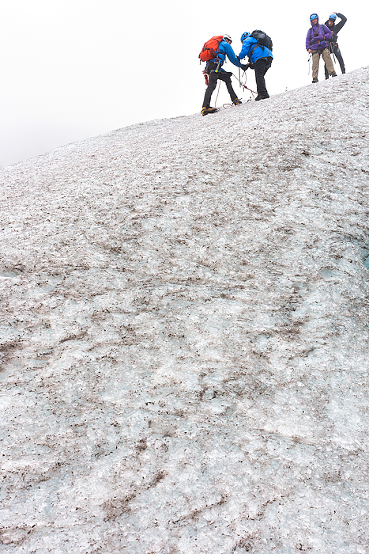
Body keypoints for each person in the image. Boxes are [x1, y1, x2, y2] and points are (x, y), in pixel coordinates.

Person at [202, 35, 243, 116]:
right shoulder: (225, 44)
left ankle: (234, 99)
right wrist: (242, 66)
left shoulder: (216, 46)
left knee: (227, 78)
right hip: (215, 65)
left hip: (210, 66)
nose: (230, 44)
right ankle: (205, 107)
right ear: (227, 39)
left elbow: (211, 61)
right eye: (230, 42)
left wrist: (225, 73)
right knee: (212, 85)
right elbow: (233, 58)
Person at [238, 32, 273, 101]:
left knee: (259, 75)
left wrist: (239, 57)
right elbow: (253, 55)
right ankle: (262, 92)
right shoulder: (255, 40)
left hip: (260, 57)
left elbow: (244, 51)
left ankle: (263, 94)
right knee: (260, 75)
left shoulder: (247, 40)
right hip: (269, 56)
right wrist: (250, 65)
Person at [306, 13, 337, 83]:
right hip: (314, 48)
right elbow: (307, 40)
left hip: (323, 45)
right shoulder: (310, 31)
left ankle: (332, 72)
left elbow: (329, 33)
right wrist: (308, 48)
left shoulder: (323, 27)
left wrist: (324, 37)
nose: (314, 21)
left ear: (317, 19)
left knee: (327, 57)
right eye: (313, 20)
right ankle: (315, 78)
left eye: (315, 19)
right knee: (315, 63)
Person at [324, 13, 347, 79]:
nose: (330, 23)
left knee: (340, 58)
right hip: (327, 46)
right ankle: (326, 76)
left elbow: (344, 19)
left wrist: (338, 14)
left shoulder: (336, 28)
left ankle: (343, 72)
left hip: (334, 45)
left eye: (332, 22)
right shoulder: (324, 28)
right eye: (330, 21)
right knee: (327, 61)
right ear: (328, 21)